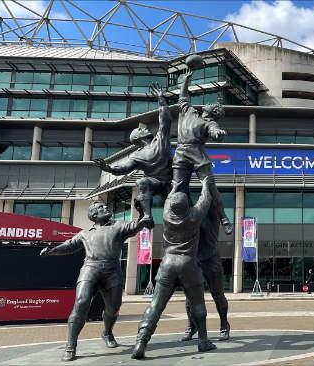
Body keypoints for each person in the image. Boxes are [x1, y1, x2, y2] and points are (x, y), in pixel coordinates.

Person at [40, 202, 150, 362]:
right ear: (94, 215)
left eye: (105, 206)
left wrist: (142, 211)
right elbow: (69, 246)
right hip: (90, 268)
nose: (106, 208)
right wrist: (52, 251)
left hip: (112, 270)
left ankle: (107, 332)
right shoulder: (85, 233)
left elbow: (138, 225)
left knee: (114, 307)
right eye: (101, 208)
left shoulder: (119, 226)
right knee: (81, 302)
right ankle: (71, 345)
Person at [132, 176, 216, 359]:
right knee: (198, 303)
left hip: (168, 263)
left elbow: (170, 198)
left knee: (155, 305)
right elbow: (205, 199)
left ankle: (141, 342)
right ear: (187, 205)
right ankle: (203, 340)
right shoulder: (194, 216)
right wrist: (204, 184)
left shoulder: (167, 215)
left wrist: (174, 181)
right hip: (188, 263)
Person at [93, 83, 172, 227]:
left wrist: (161, 99)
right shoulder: (137, 155)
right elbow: (122, 169)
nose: (144, 129)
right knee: (142, 182)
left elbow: (165, 119)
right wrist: (108, 168)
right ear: (138, 138)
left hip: (174, 180)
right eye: (141, 129)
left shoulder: (159, 140)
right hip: (158, 184)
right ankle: (147, 216)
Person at [170, 69, 232, 235]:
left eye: (214, 106)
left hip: (197, 153)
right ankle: (181, 216)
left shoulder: (209, 123)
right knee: (177, 187)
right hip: (181, 152)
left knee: (210, 187)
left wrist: (218, 134)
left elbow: (215, 132)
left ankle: (224, 218)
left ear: (214, 113)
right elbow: (182, 96)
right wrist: (186, 80)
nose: (210, 104)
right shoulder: (189, 111)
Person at [180, 190, 231, 342]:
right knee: (190, 298)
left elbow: (214, 197)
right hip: (194, 259)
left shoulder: (214, 213)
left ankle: (224, 325)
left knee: (218, 295)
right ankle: (192, 325)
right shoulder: (192, 214)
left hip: (211, 258)